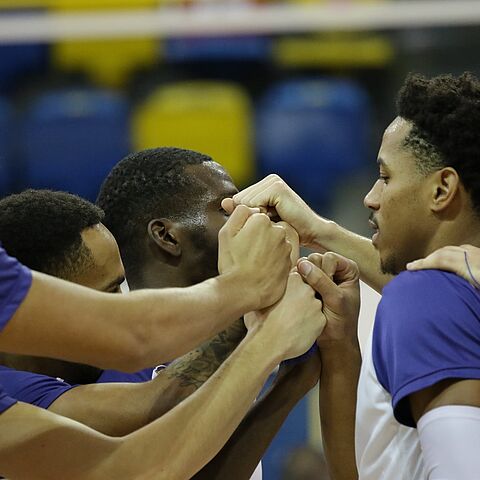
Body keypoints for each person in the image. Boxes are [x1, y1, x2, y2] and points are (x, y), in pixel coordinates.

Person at [227, 72, 480, 479]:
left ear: (442, 189)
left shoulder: (423, 296)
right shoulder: (446, 291)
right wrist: (341, 349)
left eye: (385, 176)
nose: (370, 197)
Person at [0, 218, 326, 478]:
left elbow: (146, 467)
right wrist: (256, 307)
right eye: (109, 292)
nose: (119, 304)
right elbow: (136, 340)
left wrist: (290, 372)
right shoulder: (22, 388)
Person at [97, 146, 323, 479]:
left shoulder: (246, 335)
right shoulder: (110, 364)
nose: (256, 217)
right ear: (167, 236)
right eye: (228, 208)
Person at [1, 192, 293, 372]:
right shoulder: (117, 374)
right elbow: (151, 464)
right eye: (224, 209)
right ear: (166, 235)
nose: (247, 216)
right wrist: (249, 286)